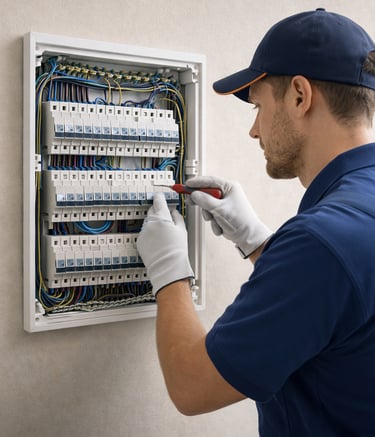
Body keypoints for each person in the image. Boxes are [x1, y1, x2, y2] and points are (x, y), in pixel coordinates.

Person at [136, 8, 375, 436]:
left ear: (300, 96)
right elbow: (345, 307)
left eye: (259, 106)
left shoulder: (320, 243)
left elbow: (192, 387)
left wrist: (169, 271)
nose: (253, 131)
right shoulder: (344, 228)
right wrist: (260, 243)